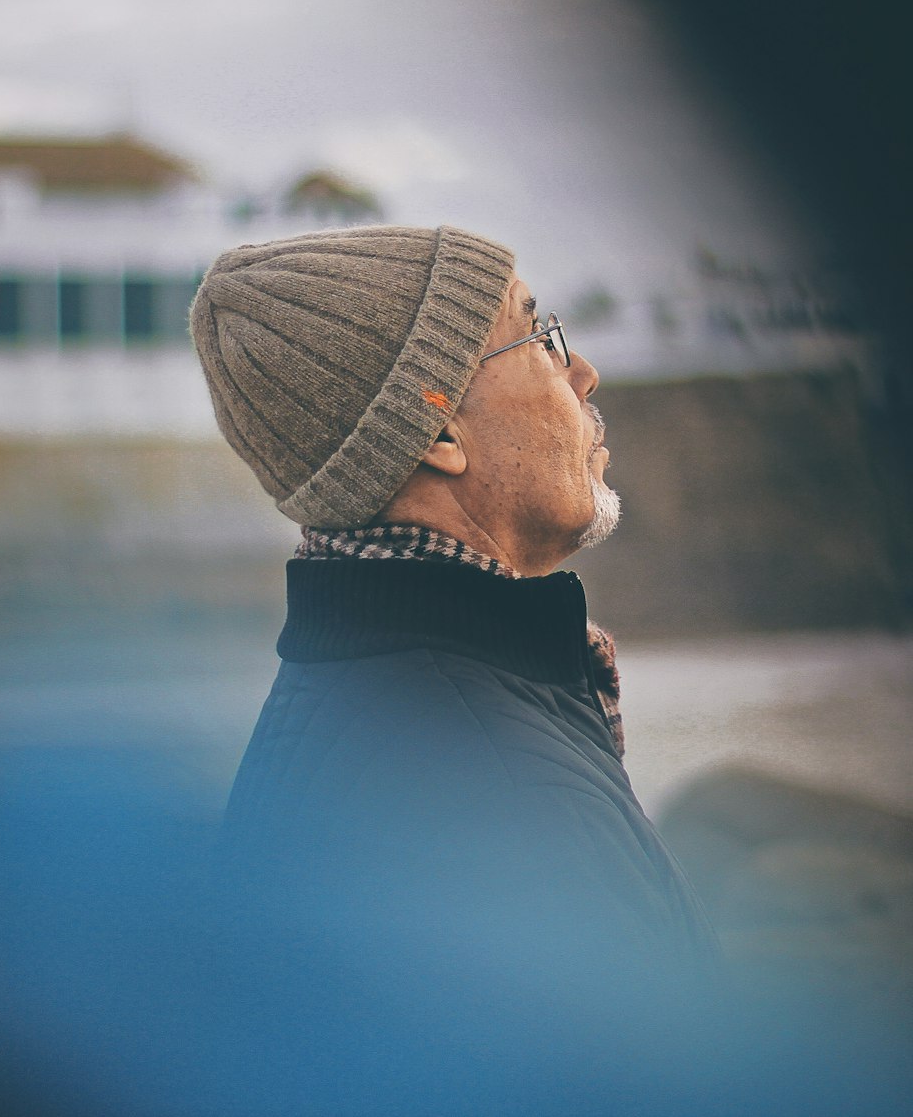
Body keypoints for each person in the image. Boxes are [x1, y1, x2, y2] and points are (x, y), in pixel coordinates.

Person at [189, 224, 721, 1116]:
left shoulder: (372, 687)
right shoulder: (494, 790)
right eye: (537, 334)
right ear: (438, 430)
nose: (582, 372)